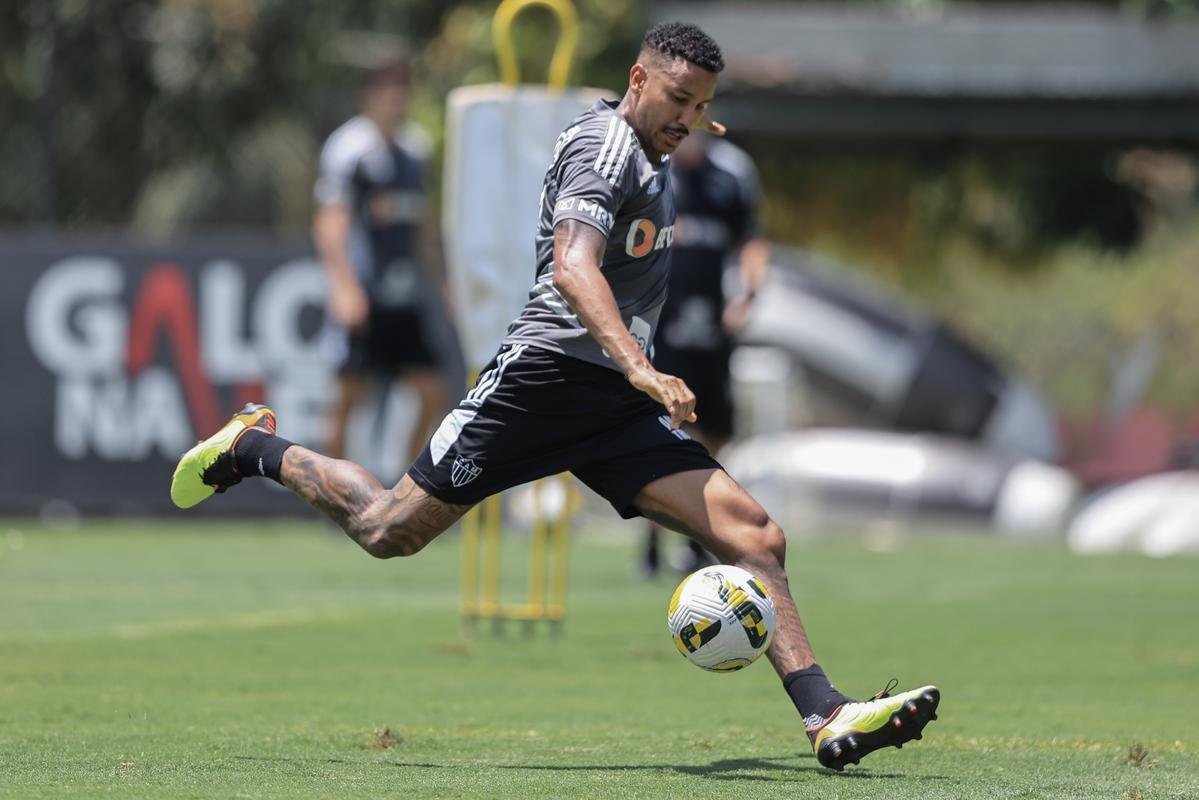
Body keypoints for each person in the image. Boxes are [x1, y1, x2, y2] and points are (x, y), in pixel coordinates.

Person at [171, 22, 939, 772]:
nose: (687, 117)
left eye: (701, 105)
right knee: (386, 528)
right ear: (637, 79)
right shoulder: (604, 149)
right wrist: (641, 367)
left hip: (611, 407)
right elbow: (573, 267)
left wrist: (630, 372)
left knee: (755, 537)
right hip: (542, 383)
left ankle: (824, 714)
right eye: (677, 98)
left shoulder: (653, 149)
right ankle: (252, 446)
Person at [641, 130, 770, 577]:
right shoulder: (651, 168)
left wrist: (748, 294)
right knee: (659, 426)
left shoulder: (732, 173)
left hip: (712, 327)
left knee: (713, 431)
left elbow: (750, 239)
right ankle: (652, 539)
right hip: (661, 326)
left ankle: (698, 537)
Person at [312, 58, 454, 465]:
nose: (397, 102)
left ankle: (404, 488)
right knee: (349, 397)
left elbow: (421, 227)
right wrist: (344, 288)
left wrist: (442, 282)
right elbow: (330, 222)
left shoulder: (415, 149)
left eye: (403, 93)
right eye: (389, 93)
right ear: (369, 98)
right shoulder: (349, 149)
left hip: (403, 298)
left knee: (432, 392)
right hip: (365, 295)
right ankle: (329, 490)